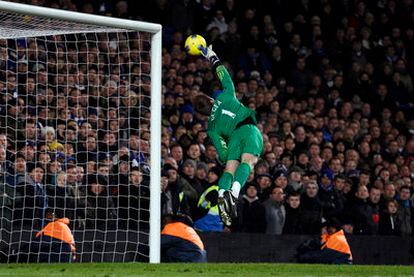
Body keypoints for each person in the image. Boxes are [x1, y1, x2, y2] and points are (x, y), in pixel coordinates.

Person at [194, 45, 264, 226]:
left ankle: (221, 194)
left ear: (202, 114)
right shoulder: (226, 96)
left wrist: (230, 152)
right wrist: (213, 57)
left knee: (230, 168)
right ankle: (234, 191)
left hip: (233, 138)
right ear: (210, 100)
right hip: (248, 130)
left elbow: (223, 155)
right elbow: (224, 76)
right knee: (248, 162)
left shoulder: (211, 128)